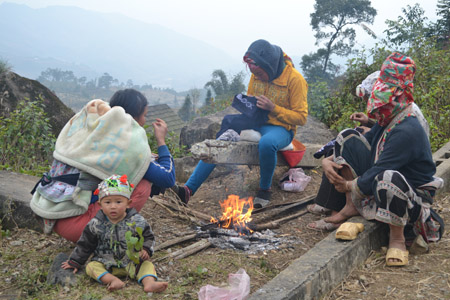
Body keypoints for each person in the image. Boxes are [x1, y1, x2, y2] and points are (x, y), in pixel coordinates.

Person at [307, 52, 443, 266]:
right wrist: (329, 159)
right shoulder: (389, 117)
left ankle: (397, 238)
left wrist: (350, 184)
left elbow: (383, 167)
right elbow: (362, 140)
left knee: (387, 177)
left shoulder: (408, 128)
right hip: (381, 178)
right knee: (347, 136)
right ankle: (351, 206)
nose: (377, 112)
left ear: (398, 98)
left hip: (410, 192)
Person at [173, 39, 308, 208]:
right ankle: (188, 189)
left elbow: (301, 117)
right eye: (254, 74)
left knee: (267, 144)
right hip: (257, 121)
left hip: (281, 128)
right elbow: (251, 101)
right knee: (223, 137)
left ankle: (264, 190)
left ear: (270, 67)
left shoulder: (295, 80)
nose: (256, 77)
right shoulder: (256, 74)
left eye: (259, 74)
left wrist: (273, 108)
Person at [32, 89, 175, 243]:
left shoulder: (96, 134)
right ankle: (107, 238)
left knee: (121, 180)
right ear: (133, 118)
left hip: (52, 215)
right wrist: (161, 141)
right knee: (143, 184)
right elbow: (168, 177)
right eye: (144, 115)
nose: (145, 121)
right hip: (78, 225)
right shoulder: (128, 148)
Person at [61, 174, 168, 293]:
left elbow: (148, 236)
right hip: (106, 264)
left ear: (128, 203)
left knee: (147, 264)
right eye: (107, 202)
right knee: (91, 267)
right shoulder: (95, 224)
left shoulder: (136, 221)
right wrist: (75, 261)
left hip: (132, 262)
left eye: (118, 202)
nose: (113, 206)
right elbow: (85, 244)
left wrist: (146, 249)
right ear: (100, 205)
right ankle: (112, 280)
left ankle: (149, 283)